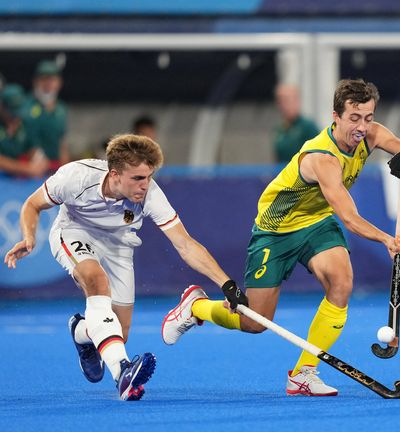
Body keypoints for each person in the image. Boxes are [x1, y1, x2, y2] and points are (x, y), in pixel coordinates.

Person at [162, 79, 400, 396]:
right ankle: (197, 307)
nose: (362, 126)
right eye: (354, 118)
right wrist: (387, 239)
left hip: (316, 223)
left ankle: (304, 373)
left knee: (341, 282)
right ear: (336, 116)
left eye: (368, 117)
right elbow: (348, 216)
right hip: (274, 232)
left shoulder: (372, 134)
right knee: (255, 322)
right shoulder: (322, 159)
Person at [3, 134, 243, 401]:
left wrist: (226, 283)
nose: (145, 185)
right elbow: (32, 204)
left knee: (119, 331)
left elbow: (185, 244)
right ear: (114, 174)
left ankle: (81, 332)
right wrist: (29, 236)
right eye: (138, 178)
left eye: (149, 176)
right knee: (96, 280)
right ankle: (123, 373)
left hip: (120, 245)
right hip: (74, 233)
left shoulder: (151, 194)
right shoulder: (76, 177)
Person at [23, 60, 70, 171]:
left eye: (52, 80)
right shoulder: (24, 105)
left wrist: (66, 170)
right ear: (35, 81)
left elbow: (62, 143)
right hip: (28, 168)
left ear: (59, 82)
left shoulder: (61, 109)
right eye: (43, 79)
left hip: (54, 168)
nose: (48, 84)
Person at [0, 83, 48, 178]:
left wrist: (39, 159)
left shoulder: (23, 124)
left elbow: (32, 148)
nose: (15, 118)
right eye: (12, 112)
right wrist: (25, 168)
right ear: (1, 108)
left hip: (13, 181)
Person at [273, 83, 320, 163]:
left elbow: (319, 156)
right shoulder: (279, 129)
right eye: (280, 101)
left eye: (287, 100)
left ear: (297, 101)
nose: (284, 105)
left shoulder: (308, 127)